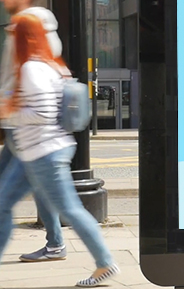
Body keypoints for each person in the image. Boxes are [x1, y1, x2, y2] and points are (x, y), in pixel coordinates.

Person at [0, 14, 120, 286]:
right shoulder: (50, 64)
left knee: (71, 210)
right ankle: (103, 262)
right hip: (37, 152)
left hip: (44, 153)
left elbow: (42, 113)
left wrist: (9, 111)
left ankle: (105, 264)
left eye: (14, 33)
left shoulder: (32, 68)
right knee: (3, 203)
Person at [0, 0, 65, 263]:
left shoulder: (28, 27)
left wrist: (7, 109)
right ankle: (55, 244)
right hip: (16, 122)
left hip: (21, 122)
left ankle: (56, 244)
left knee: (30, 186)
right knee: (33, 185)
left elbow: (22, 76)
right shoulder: (26, 26)